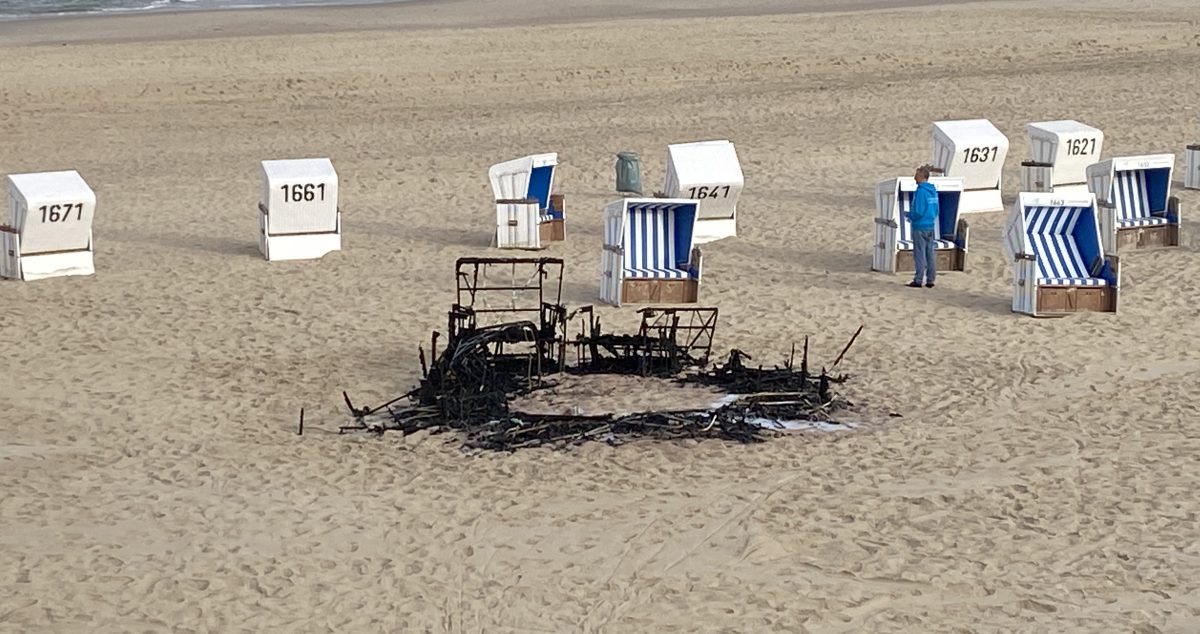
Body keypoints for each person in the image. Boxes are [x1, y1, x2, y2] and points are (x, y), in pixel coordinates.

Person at [906, 165, 940, 288]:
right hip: (930, 225)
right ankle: (930, 279)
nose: (914, 178)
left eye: (916, 175)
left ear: (921, 176)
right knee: (930, 253)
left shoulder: (921, 191)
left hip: (920, 226)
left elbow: (918, 211)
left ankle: (918, 279)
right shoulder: (933, 192)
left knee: (919, 253)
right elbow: (936, 210)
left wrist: (910, 215)